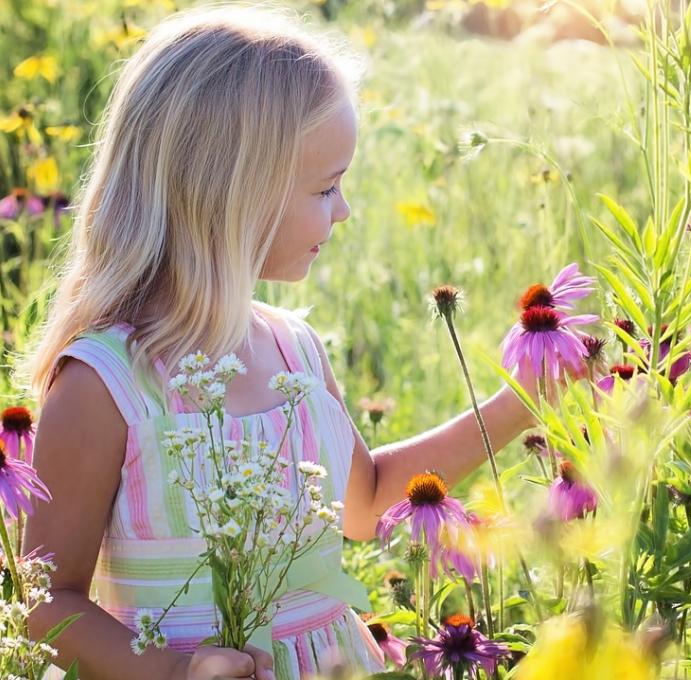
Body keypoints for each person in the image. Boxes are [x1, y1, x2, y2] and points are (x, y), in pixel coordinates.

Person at [18, 6, 543, 679]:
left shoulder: (296, 350)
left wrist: (519, 403)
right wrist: (177, 672)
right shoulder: (105, 385)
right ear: (229, 194)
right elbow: (46, 603)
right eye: (326, 188)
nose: (345, 211)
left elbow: (366, 501)